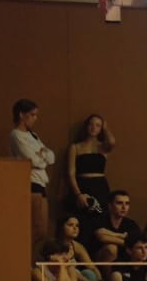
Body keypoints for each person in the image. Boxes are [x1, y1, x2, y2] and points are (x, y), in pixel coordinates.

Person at [11, 99, 57, 246]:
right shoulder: (16, 135)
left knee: (42, 230)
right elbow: (33, 160)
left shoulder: (34, 135)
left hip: (41, 181)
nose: (35, 118)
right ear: (21, 115)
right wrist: (41, 156)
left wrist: (42, 154)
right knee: (35, 227)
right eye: (32, 115)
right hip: (31, 181)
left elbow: (51, 157)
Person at [64, 112, 113, 218]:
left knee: (101, 217)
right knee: (81, 217)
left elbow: (112, 142)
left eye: (97, 125)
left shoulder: (102, 147)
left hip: (100, 186)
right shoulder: (75, 147)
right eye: (91, 124)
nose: (93, 127)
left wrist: (105, 128)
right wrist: (78, 194)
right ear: (86, 126)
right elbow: (71, 173)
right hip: (82, 184)